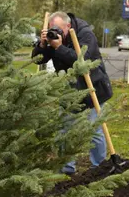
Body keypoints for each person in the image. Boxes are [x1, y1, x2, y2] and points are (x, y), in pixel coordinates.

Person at [32, 11, 112, 175]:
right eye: (52, 29)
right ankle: (67, 168)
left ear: (68, 26)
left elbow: (82, 62)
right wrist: (42, 45)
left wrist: (59, 48)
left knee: (94, 130)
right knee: (65, 129)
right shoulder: (52, 37)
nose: (56, 32)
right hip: (68, 90)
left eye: (59, 29)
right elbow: (39, 60)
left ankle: (98, 168)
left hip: (92, 87)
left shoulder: (85, 34)